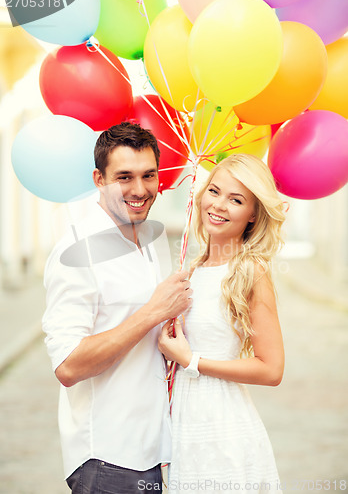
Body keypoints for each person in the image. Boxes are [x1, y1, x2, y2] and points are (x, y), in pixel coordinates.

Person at [42, 122, 192, 494]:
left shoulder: (146, 239)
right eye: (124, 177)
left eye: (148, 175)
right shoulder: (75, 253)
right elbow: (68, 365)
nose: (139, 190)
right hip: (108, 460)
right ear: (99, 178)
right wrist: (153, 313)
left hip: (149, 452)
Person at [158, 153, 286, 493]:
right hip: (186, 425)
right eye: (214, 191)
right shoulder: (193, 269)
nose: (219, 205)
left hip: (223, 427)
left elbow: (272, 369)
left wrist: (191, 360)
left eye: (236, 199)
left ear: (253, 214)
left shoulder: (250, 272)